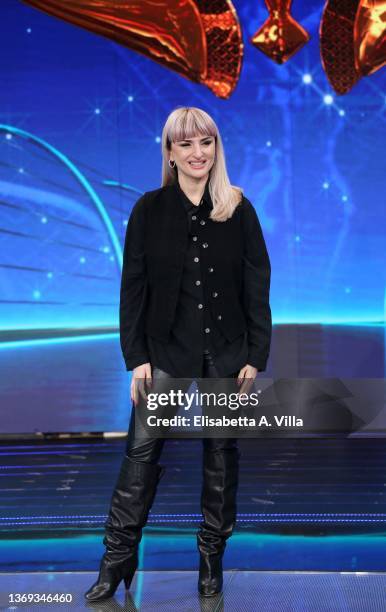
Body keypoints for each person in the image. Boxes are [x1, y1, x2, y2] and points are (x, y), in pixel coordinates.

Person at [85, 106, 272, 601]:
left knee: (220, 455)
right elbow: (134, 288)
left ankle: (212, 561)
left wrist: (256, 352)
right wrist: (136, 356)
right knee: (140, 454)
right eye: (185, 144)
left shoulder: (239, 208)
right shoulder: (148, 209)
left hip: (228, 353)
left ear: (217, 148)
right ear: (169, 152)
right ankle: (116, 560)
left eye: (205, 142)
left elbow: (257, 286)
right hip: (166, 350)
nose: (197, 153)